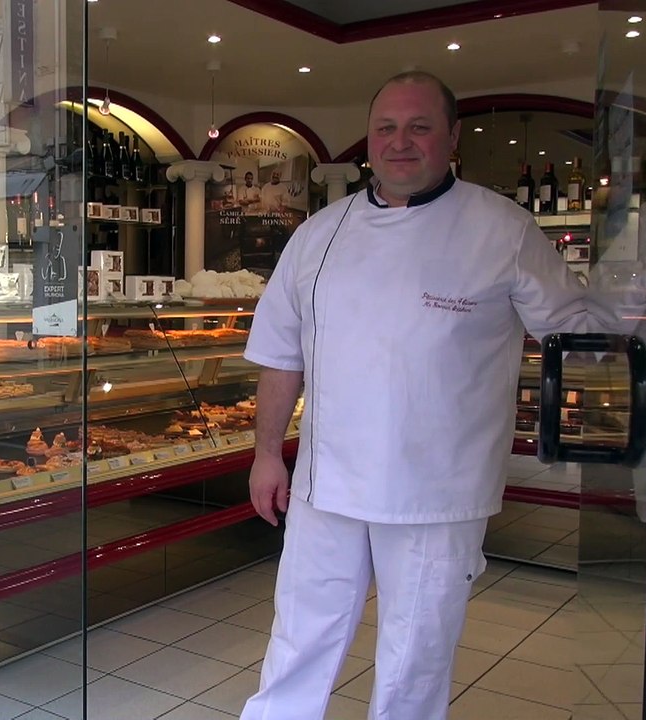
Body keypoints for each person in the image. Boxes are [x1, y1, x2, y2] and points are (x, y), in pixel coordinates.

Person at [239, 71, 598, 719]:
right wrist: (268, 453)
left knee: (417, 652)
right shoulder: (320, 232)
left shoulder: (503, 229)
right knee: (299, 633)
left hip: (439, 491)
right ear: (370, 141)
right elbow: (280, 355)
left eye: (419, 126)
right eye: (386, 128)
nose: (400, 142)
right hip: (327, 482)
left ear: (452, 137)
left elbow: (576, 336)